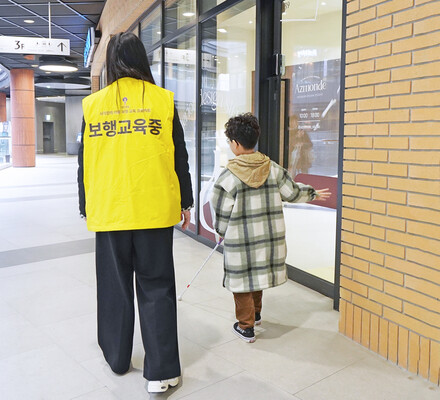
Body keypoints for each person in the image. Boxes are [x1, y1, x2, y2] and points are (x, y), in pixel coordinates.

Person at [77, 32, 193, 393]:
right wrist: (184, 202)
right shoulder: (163, 101)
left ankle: (117, 357)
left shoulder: (94, 105)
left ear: (111, 62)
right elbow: (179, 156)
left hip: (111, 210)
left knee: (114, 288)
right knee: (156, 287)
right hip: (155, 209)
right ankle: (160, 373)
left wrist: (85, 204)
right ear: (142, 59)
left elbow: (85, 162)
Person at [210, 113, 330, 343]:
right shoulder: (273, 169)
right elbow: (292, 192)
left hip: (241, 239)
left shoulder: (228, 176)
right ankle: (255, 315)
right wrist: (313, 193)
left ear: (235, 144)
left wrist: (221, 230)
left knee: (242, 280)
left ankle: (245, 327)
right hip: (267, 237)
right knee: (258, 274)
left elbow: (221, 209)